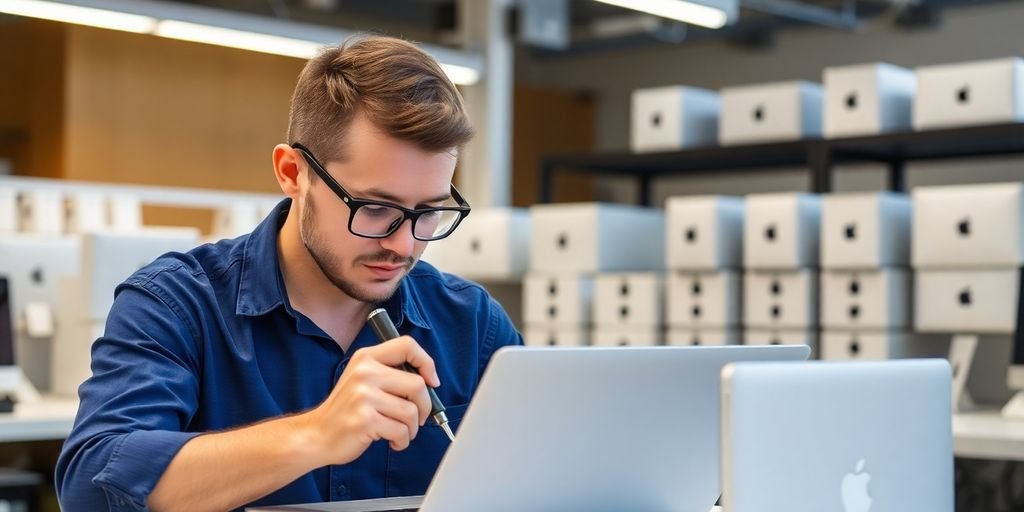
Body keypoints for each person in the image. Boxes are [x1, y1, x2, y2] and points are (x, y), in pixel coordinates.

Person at [55, 35, 522, 511]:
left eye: (428, 212)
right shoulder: (177, 304)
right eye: (375, 208)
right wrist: (315, 435)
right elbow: (93, 486)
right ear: (293, 172)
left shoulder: (472, 324)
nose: (403, 245)